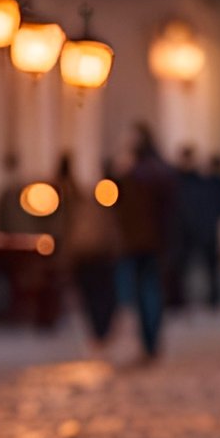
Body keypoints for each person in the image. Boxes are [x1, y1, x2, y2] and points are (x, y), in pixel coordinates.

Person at [114, 124, 179, 358]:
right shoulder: (163, 174)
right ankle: (151, 339)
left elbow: (120, 210)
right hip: (156, 241)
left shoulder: (132, 176)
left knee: (144, 291)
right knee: (152, 290)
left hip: (138, 242)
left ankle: (148, 338)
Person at [57, 152, 120, 345]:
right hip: (92, 253)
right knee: (98, 294)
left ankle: (100, 329)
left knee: (96, 293)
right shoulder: (84, 203)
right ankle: (100, 329)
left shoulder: (91, 203)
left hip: (93, 252)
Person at [177, 149, 220, 307]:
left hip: (201, 229)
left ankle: (211, 297)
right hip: (193, 229)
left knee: (207, 267)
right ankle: (191, 297)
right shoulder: (193, 182)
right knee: (191, 267)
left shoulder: (201, 182)